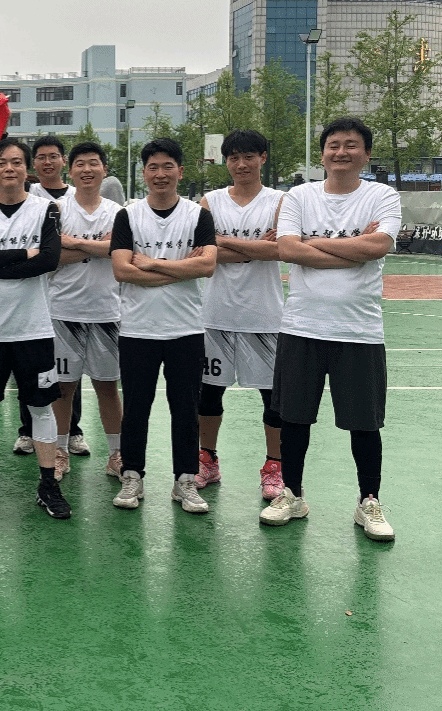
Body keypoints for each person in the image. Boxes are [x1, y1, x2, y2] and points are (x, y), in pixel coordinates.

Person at [260, 117, 401, 541]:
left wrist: (311, 243)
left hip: (359, 330)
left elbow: (378, 245)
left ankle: (369, 501)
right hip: (302, 325)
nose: (341, 152)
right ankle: (292, 494)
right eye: (333, 145)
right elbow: (287, 249)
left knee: (365, 424)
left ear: (366, 153)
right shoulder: (299, 196)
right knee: (293, 418)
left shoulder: (382, 195)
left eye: (351, 145)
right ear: (322, 154)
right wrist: (353, 249)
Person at [0, 139, 71, 519]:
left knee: (41, 407)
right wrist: (24, 253)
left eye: (16, 162)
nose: (9, 168)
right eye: (1, 162)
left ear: (27, 169)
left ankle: (48, 485)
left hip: (33, 329)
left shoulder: (46, 209)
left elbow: (50, 260)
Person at [110, 138, 216, 514]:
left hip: (185, 329)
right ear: (144, 173)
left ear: (180, 171)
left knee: (185, 409)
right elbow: (122, 270)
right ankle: (132, 475)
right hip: (137, 329)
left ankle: (184, 480)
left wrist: (153, 264)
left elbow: (207, 266)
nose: (160, 174)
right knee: (136, 407)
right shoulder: (128, 216)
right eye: (153, 167)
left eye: (167, 166)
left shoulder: (197, 215)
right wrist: (181, 268)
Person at [197, 130, 286, 500]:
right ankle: (207, 459)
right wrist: (254, 248)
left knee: (273, 399)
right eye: (234, 157)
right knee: (208, 394)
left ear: (263, 158)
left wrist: (222, 241)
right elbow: (202, 251)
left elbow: (280, 250)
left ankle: (274, 466)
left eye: (249, 156)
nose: (241, 164)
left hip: (264, 317)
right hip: (215, 315)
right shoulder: (210, 201)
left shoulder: (280, 201)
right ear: (226, 161)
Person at [49, 141, 124, 482]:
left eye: (94, 163)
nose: (87, 169)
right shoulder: (56, 209)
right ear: (70, 170)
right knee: (63, 388)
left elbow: (120, 252)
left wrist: (75, 243)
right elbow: (51, 256)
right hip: (63, 310)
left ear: (104, 169)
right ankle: (59, 451)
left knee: (107, 386)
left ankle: (116, 454)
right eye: (80, 163)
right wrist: (99, 247)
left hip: (107, 312)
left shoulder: (118, 212)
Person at [20, 134, 91, 458]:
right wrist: (84, 249)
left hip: (72, 297)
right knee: (31, 365)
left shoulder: (79, 196)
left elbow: (93, 247)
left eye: (53, 156)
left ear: (64, 161)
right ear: (33, 164)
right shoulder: (26, 197)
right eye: (41, 157)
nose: (47, 162)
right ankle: (27, 430)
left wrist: (70, 248)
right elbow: (36, 250)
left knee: (70, 369)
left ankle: (73, 430)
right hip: (31, 295)